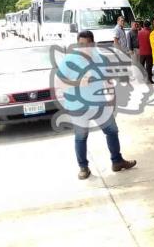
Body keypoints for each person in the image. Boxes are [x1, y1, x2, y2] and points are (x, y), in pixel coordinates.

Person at [57, 30, 136, 180]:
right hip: (78, 106)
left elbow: (108, 81)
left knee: (112, 131)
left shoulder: (101, 59)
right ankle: (83, 167)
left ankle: (117, 161)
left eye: (87, 45)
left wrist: (112, 99)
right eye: (80, 45)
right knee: (81, 136)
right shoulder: (69, 60)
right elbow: (60, 83)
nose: (84, 48)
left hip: (100, 104)